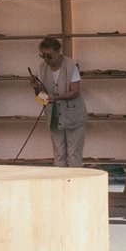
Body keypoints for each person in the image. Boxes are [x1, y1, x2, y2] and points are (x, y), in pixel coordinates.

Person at [26, 36, 86, 167]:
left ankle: (74, 184)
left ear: (58, 52)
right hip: (54, 116)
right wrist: (36, 87)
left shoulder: (71, 65)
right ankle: (61, 184)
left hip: (73, 116)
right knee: (59, 154)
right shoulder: (42, 67)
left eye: (49, 55)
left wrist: (55, 98)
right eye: (43, 56)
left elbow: (75, 92)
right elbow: (43, 99)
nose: (46, 59)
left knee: (73, 153)